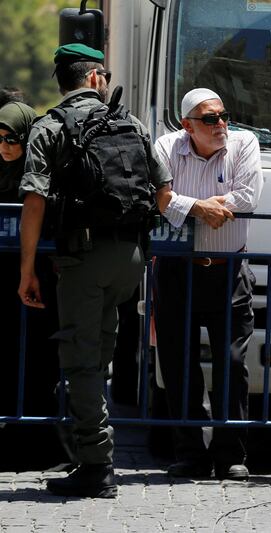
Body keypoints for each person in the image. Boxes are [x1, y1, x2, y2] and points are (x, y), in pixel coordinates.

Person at [17, 43, 172, 498]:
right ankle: (95, 452)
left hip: (83, 262)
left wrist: (27, 270)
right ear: (95, 78)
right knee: (99, 356)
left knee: (81, 363)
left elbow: (34, 202)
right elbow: (163, 190)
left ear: (62, 80)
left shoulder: (50, 127)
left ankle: (96, 466)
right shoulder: (132, 123)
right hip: (131, 259)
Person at [153, 88, 262, 480]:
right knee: (179, 364)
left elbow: (247, 198)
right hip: (176, 271)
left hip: (229, 270)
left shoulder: (244, 142)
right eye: (209, 119)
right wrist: (199, 207)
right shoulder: (165, 146)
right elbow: (155, 197)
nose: (220, 125)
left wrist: (184, 206)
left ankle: (231, 452)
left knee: (232, 364)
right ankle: (189, 453)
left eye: (223, 116)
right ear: (187, 126)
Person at [0, 101, 69, 471]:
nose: (6, 147)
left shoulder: (43, 171)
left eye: (12, 138)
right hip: (7, 285)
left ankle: (42, 446)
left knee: (38, 364)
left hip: (36, 282)